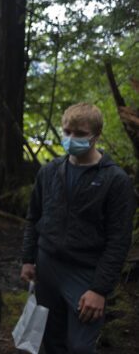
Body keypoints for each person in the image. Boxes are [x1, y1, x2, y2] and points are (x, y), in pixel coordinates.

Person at [21, 103, 136, 354]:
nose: (71, 139)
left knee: (80, 347)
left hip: (86, 272)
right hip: (47, 266)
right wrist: (28, 259)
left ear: (96, 135)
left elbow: (119, 240)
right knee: (52, 342)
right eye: (67, 132)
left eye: (80, 134)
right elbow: (34, 217)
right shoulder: (49, 171)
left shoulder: (115, 180)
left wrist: (99, 289)